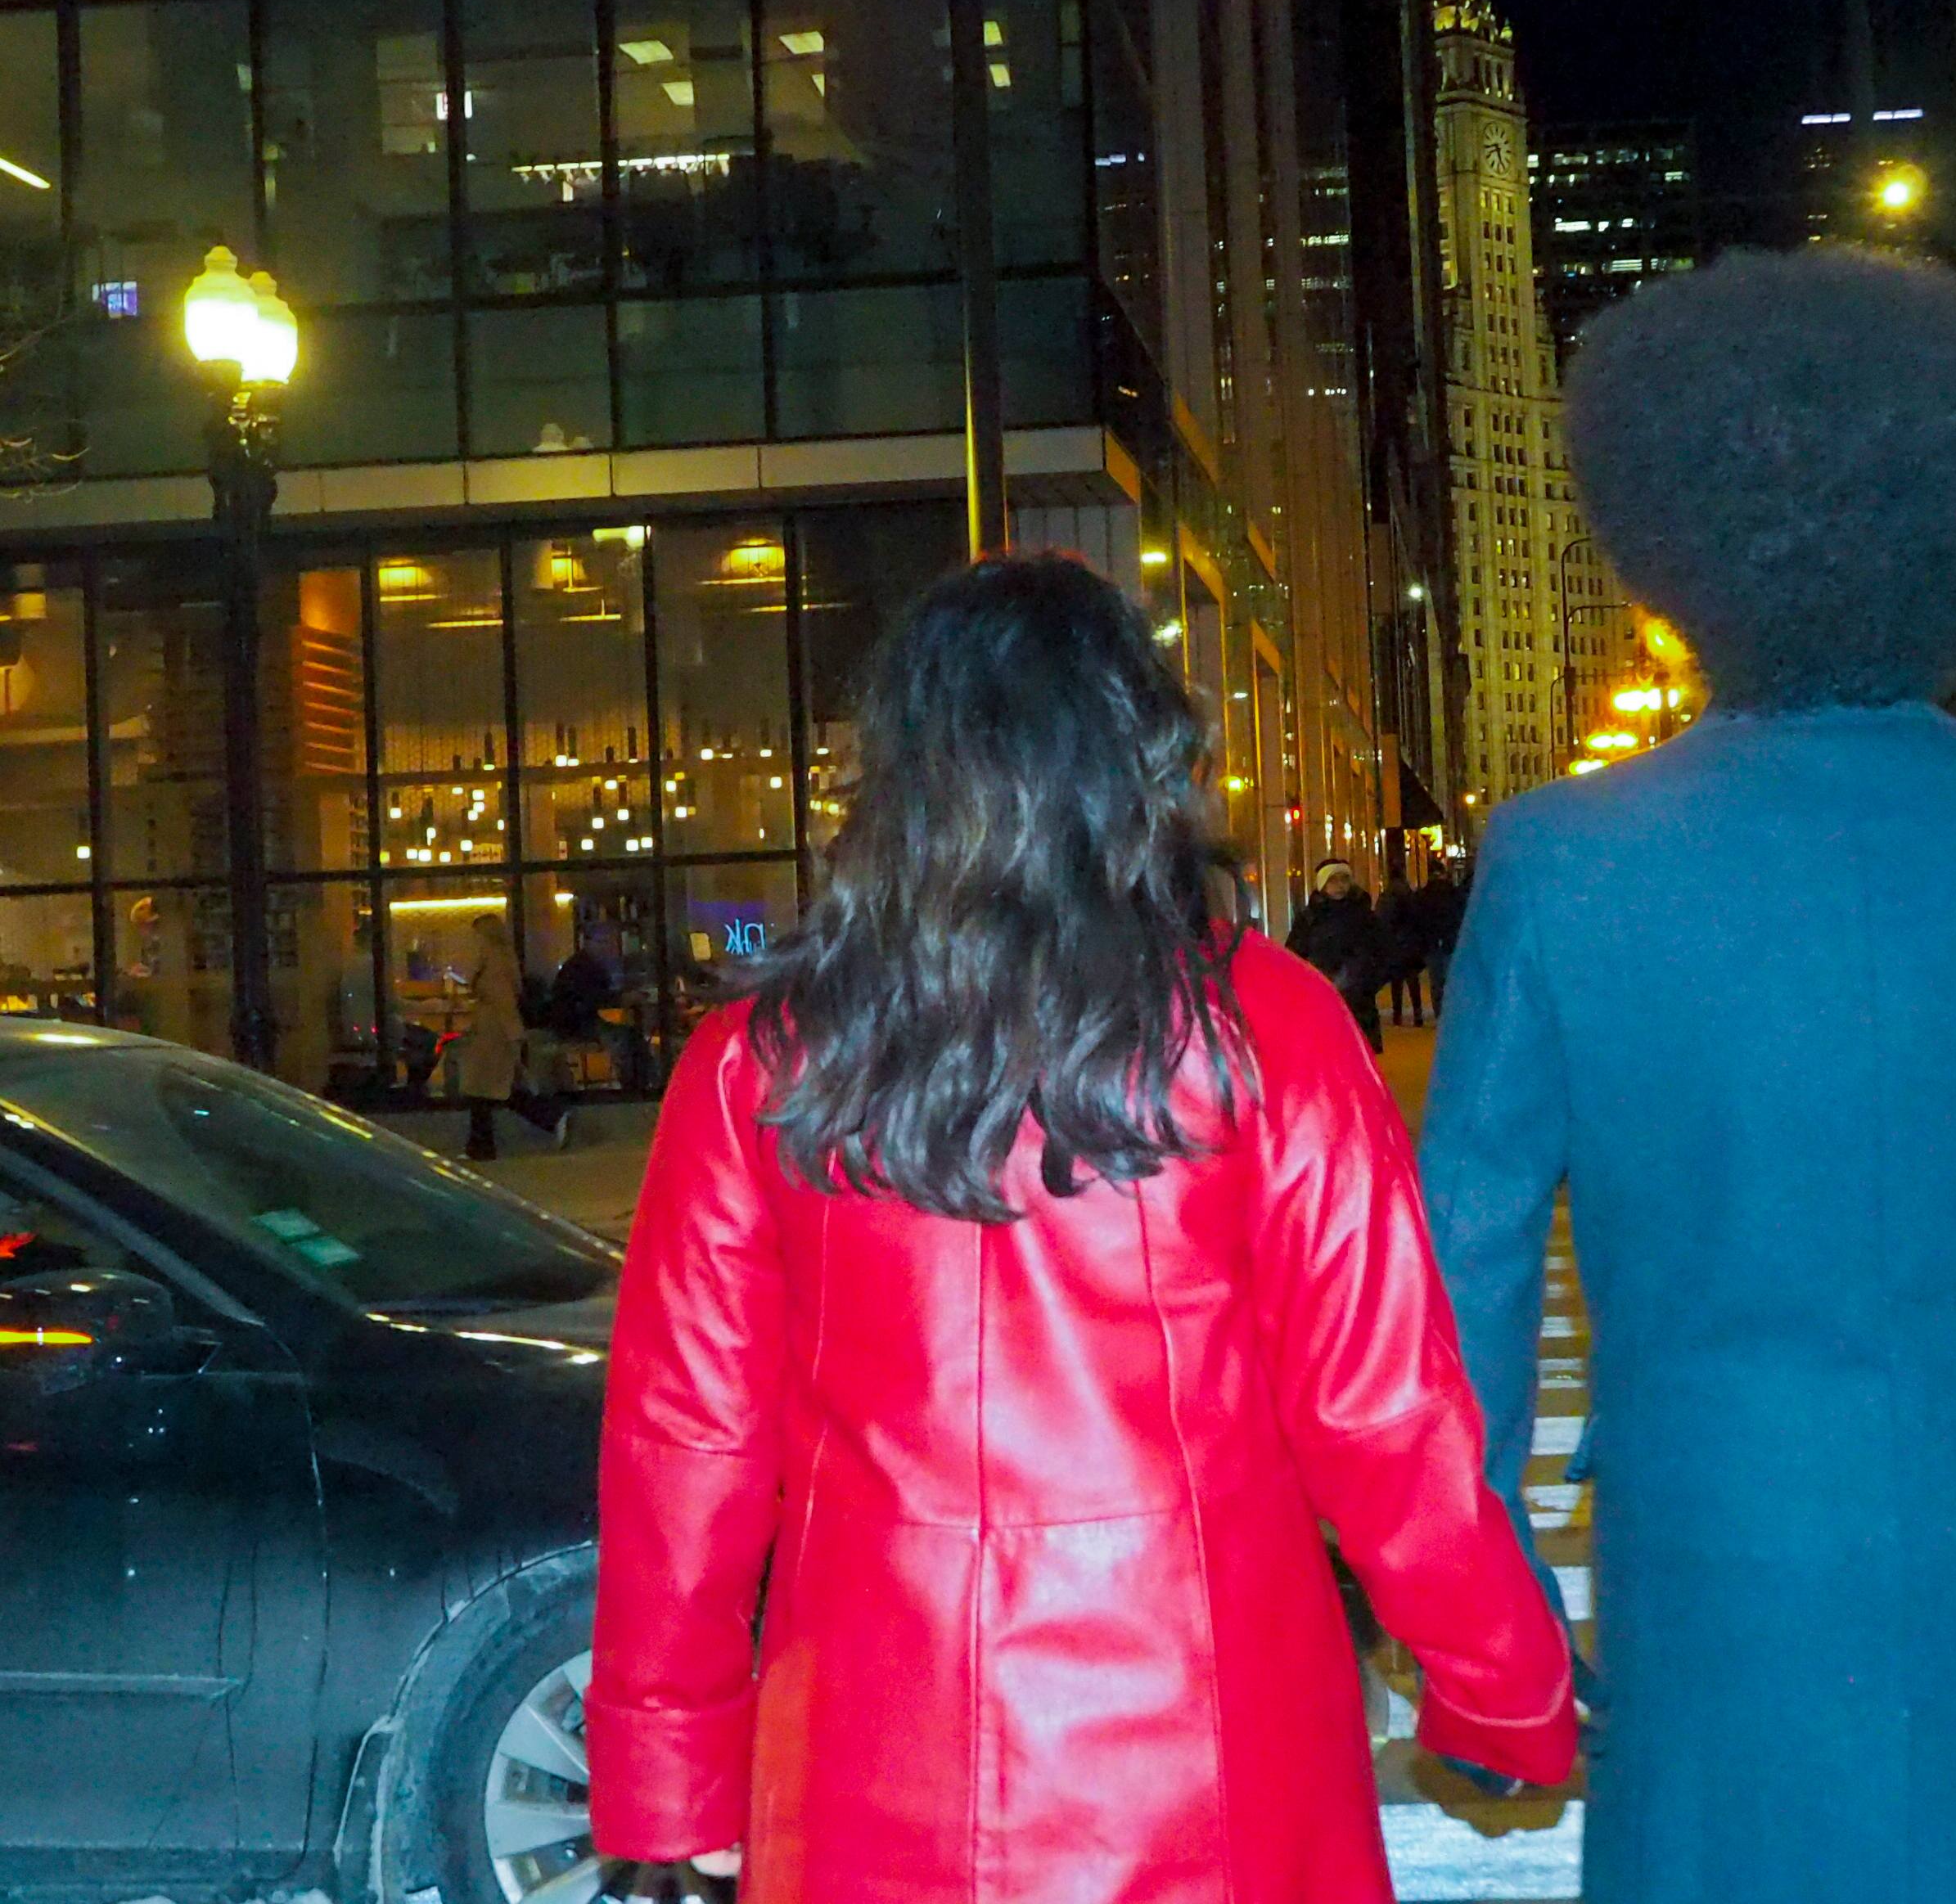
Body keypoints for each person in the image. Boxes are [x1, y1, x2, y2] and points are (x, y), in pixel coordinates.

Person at [1420, 248, 1956, 1904]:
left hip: (1720, 1558)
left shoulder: (1564, 860)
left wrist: (1481, 1618)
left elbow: (1464, 1275)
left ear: (1675, 537)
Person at [588, 556, 1574, 1904]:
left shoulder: (758, 1058)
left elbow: (686, 1451)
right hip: (1203, 1746)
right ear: (1139, 758)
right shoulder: (1262, 1026)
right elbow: (1383, 1411)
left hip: (869, 1756)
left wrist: (668, 1778)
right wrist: (1499, 1686)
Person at [452, 914, 568, 1160]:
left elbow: (490, 992)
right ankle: (550, 1118)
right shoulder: (505, 958)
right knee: (497, 1090)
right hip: (500, 1032)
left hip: (491, 1034)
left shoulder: (489, 960)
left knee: (483, 1091)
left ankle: (483, 1146)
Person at [1287, 858, 1390, 1047]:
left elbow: (1382, 952)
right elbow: (1294, 954)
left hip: (1358, 999)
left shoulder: (1363, 915)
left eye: (1344, 880)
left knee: (1357, 1050)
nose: (1340, 886)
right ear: (1322, 884)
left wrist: (1367, 981)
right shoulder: (1309, 918)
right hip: (1321, 997)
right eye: (1333, 880)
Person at [1377, 871, 1435, 1027]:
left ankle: (1397, 1015)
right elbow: (1421, 921)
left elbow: (1381, 923)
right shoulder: (1412, 899)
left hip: (1394, 945)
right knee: (1412, 980)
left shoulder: (1386, 899)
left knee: (1396, 982)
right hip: (1410, 944)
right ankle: (1418, 1014)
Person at [1419, 865, 1470, 1017]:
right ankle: (1450, 1012)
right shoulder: (1454, 894)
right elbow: (1460, 916)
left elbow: (1419, 921)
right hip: (1449, 942)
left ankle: (1439, 1011)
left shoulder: (1424, 895)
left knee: (1435, 982)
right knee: (1449, 979)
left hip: (1432, 944)